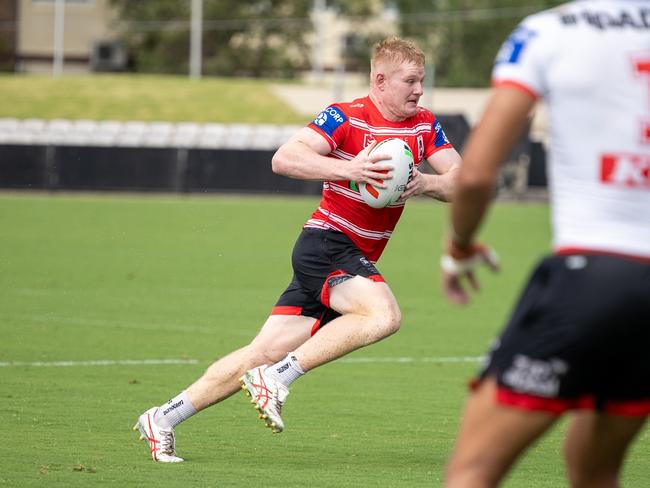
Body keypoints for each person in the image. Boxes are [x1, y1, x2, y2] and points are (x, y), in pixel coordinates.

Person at [134, 36, 461, 463]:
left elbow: (464, 180)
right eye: (411, 81)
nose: (419, 90)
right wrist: (350, 168)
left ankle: (162, 418)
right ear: (380, 79)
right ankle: (278, 378)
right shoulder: (344, 116)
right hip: (326, 244)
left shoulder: (424, 124)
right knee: (383, 316)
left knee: (258, 353)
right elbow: (285, 158)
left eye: (421, 81)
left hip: (352, 257)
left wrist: (428, 183)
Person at [439, 1, 650, 486]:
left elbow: (473, 177)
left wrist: (459, 245)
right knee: (594, 469)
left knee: (472, 471)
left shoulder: (549, 32)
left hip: (589, 278)